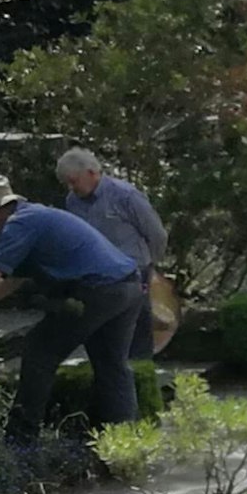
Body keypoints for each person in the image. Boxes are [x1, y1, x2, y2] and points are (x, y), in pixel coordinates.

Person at [0, 172, 144, 439]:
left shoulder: (20, 223)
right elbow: (12, 281)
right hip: (128, 286)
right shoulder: (37, 216)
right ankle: (123, 444)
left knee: (39, 351)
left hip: (98, 290)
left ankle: (20, 441)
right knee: (112, 365)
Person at [56, 145, 169, 358]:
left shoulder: (125, 196)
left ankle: (140, 380)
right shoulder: (73, 202)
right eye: (67, 184)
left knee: (138, 334)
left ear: (91, 173)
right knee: (104, 338)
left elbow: (156, 233)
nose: (72, 188)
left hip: (133, 272)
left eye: (74, 181)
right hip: (97, 277)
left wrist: (151, 265)